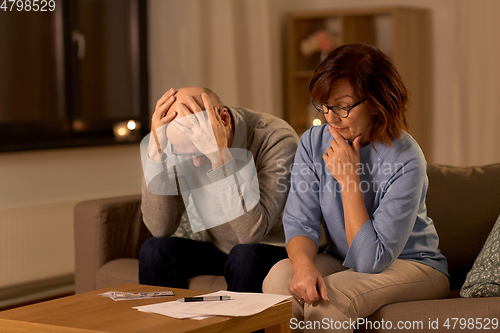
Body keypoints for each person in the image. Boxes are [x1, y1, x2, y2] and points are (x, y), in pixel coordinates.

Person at [262, 44, 449, 332]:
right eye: (323, 105)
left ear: (376, 101)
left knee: (330, 298)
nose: (330, 118)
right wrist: (302, 267)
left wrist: (349, 178)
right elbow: (300, 221)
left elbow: (369, 260)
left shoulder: (406, 159)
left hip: (413, 264)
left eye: (342, 106)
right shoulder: (313, 142)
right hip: (344, 261)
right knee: (278, 278)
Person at [138, 86, 298, 293]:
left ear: (224, 119)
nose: (195, 163)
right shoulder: (180, 142)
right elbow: (160, 228)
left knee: (244, 256)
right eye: (186, 154)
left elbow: (252, 235)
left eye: (200, 152)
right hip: (223, 250)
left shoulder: (276, 138)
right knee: (154, 251)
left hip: (277, 250)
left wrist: (219, 157)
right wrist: (156, 155)